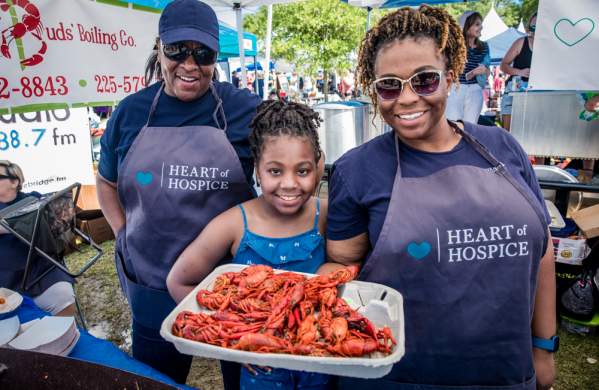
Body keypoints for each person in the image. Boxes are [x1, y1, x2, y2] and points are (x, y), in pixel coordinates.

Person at [321, 6, 556, 389]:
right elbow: (341, 268)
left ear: (450, 79)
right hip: (393, 377)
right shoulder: (357, 170)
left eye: (425, 80)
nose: (407, 98)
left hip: (506, 373)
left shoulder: (503, 148)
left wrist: (544, 347)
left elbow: (542, 251)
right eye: (389, 85)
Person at [96, 0, 261, 384]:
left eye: (202, 54)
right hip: (152, 282)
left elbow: (300, 154)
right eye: (177, 50)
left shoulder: (244, 110)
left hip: (230, 285)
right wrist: (123, 233)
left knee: (242, 380)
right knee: (157, 381)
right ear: (159, 48)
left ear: (216, 56)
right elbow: (106, 183)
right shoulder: (129, 113)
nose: (190, 65)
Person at [167, 100, 331, 390]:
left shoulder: (327, 216)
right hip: (260, 374)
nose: (290, 184)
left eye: (302, 171)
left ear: (318, 165)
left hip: (320, 364)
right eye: (275, 171)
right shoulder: (232, 224)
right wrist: (230, 336)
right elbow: (179, 280)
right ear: (256, 168)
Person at [0, 160, 76, 317]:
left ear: (15, 181)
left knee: (63, 296)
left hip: (41, 271)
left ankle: (63, 337)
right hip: (5, 280)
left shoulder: (35, 201)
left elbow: (59, 230)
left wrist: (14, 223)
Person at [445, 11, 490, 124]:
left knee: (470, 126)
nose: (481, 27)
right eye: (477, 24)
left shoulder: (484, 46)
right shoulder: (455, 45)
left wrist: (485, 70)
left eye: (481, 24)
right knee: (453, 123)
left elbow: (487, 71)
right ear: (466, 26)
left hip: (475, 89)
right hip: (457, 88)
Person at [500, 13, 537, 131]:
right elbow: (503, 65)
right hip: (515, 91)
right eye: (533, 25)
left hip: (536, 94)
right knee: (509, 132)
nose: (535, 29)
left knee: (531, 132)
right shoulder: (521, 42)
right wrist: (519, 72)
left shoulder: (549, 46)